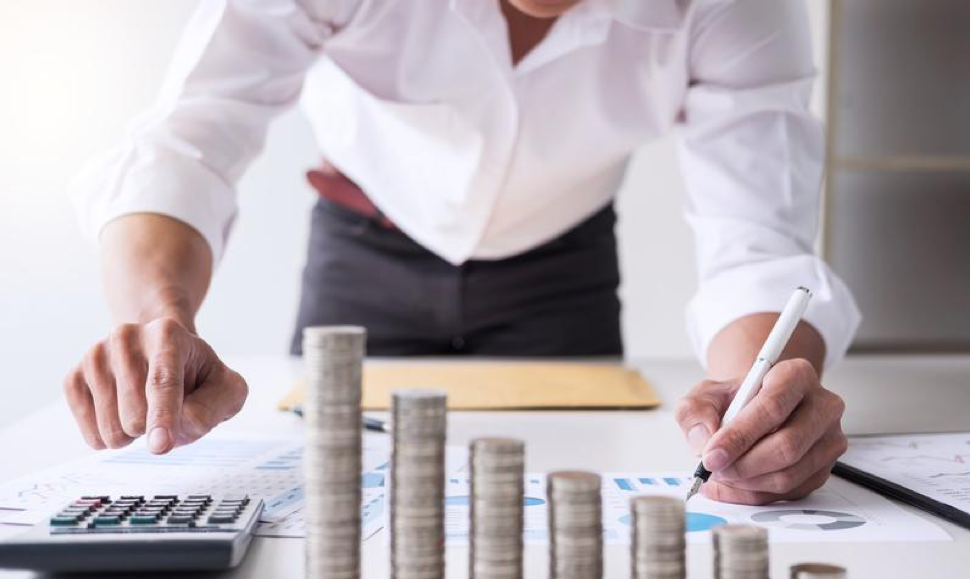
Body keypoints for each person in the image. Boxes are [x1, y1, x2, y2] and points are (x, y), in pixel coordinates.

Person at [64, 0, 860, 505]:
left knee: (569, 503)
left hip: (562, 272)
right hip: (360, 253)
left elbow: (754, 238)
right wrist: (159, 317)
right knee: (325, 507)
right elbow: (193, 137)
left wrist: (755, 393)